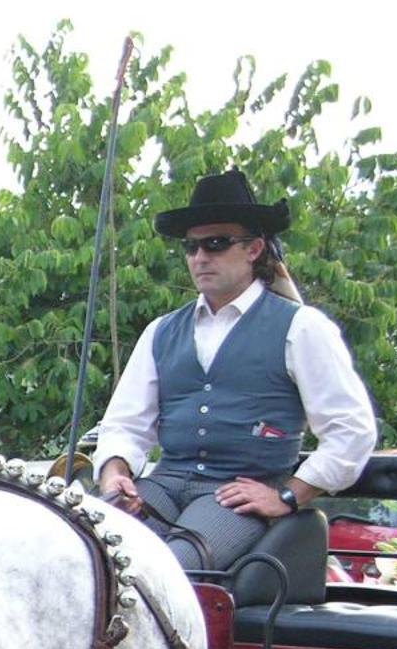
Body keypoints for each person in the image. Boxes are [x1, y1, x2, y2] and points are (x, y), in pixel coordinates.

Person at [92, 168, 377, 571]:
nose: (200, 257)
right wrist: (114, 472)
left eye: (217, 243)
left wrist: (288, 495)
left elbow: (351, 431)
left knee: (169, 570)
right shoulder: (161, 331)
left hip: (234, 495)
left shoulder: (302, 327)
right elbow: (125, 424)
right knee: (81, 552)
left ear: (254, 249)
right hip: (163, 484)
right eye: (191, 247)